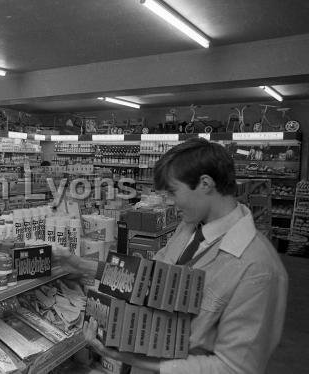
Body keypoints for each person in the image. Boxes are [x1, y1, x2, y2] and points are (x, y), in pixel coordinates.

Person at [55, 138, 288, 374]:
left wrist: (133, 358)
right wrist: (82, 265)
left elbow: (234, 367)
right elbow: (148, 279)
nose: (170, 202)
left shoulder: (258, 268)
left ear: (205, 183)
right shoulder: (189, 226)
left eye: (173, 192)